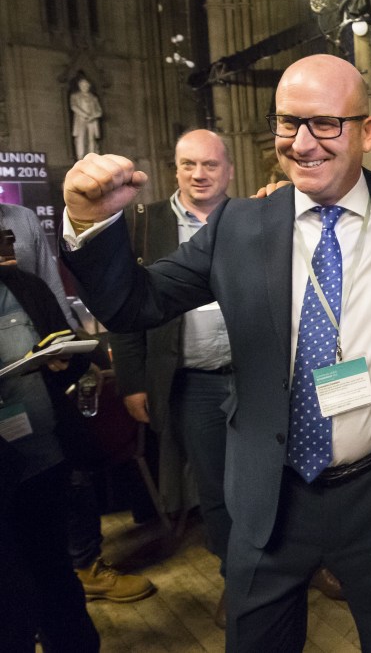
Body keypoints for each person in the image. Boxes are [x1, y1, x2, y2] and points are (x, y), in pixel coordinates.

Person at [59, 54, 371, 653]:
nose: (302, 144)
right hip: (267, 494)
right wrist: (90, 223)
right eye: (287, 124)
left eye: (325, 123)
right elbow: (133, 304)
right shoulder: (238, 225)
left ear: (368, 131)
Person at [108, 128, 235, 625]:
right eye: (188, 165)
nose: (198, 175)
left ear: (228, 170)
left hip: (256, 377)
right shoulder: (145, 224)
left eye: (209, 165)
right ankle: (237, 580)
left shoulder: (249, 219)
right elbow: (124, 307)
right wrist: (134, 380)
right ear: (174, 168)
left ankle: (303, 563)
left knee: (282, 478)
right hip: (194, 383)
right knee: (218, 491)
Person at [0, 202, 155, 604]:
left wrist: (67, 348)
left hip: (42, 394)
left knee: (68, 472)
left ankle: (85, 567)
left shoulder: (21, 224)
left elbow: (49, 290)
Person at [0, 265, 99, 652]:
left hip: (42, 459)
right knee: (11, 600)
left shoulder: (24, 286)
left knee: (54, 575)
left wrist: (63, 359)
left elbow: (69, 353)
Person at [70, 77, 103, 160]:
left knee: (91, 140)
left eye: (86, 85)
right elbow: (74, 106)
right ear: (80, 86)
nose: (85, 87)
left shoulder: (93, 98)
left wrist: (93, 116)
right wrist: (85, 115)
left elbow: (99, 111)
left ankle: (92, 157)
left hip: (92, 121)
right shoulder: (75, 96)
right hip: (81, 120)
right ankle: (80, 157)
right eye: (83, 85)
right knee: (80, 138)